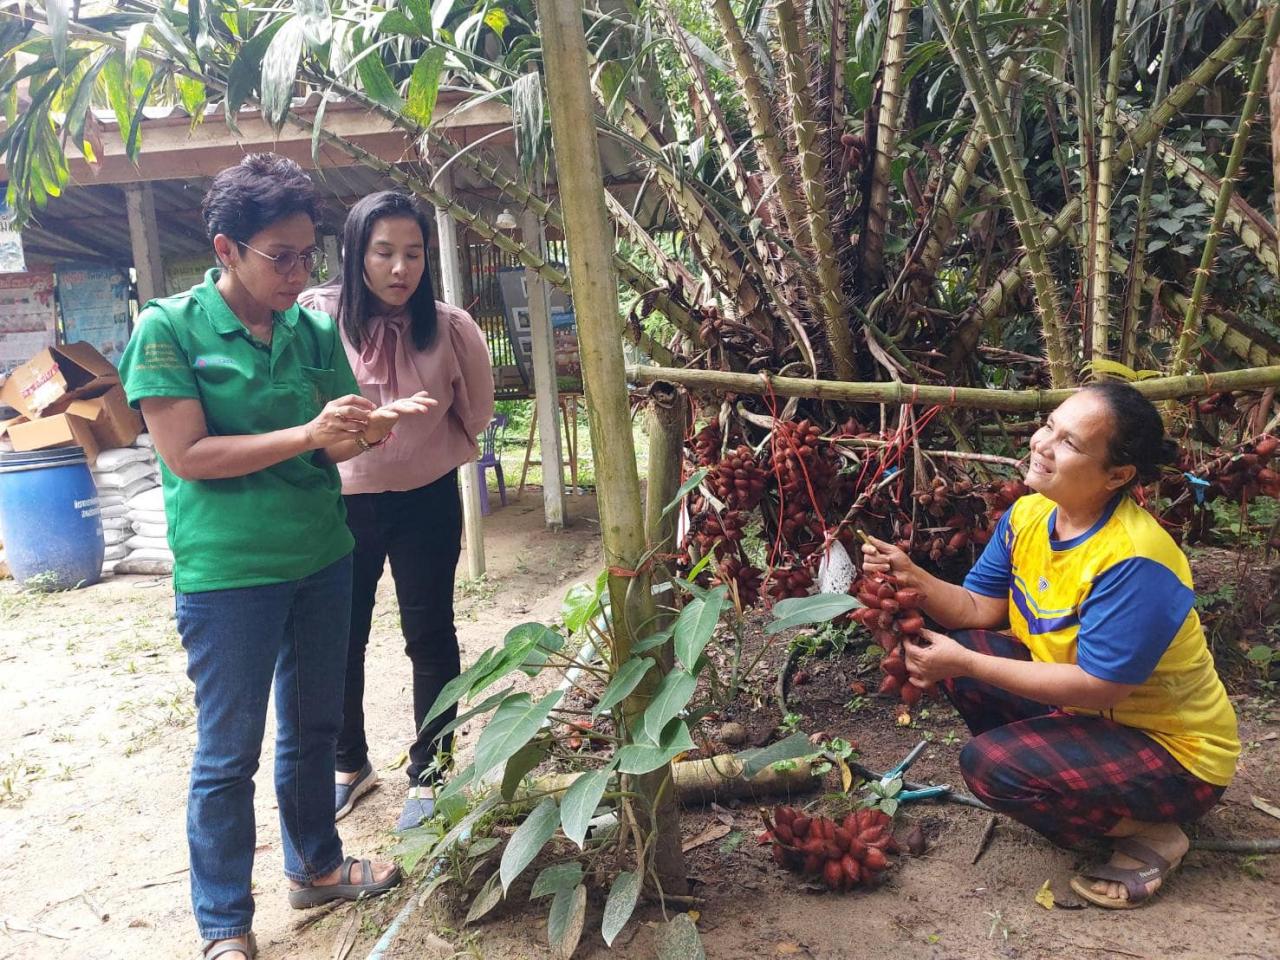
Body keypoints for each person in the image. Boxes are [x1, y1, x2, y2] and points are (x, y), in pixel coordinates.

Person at [119, 156, 433, 960]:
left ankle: (316, 868)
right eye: (280, 257)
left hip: (322, 554)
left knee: (312, 728)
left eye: (307, 255)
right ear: (227, 249)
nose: (299, 273)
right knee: (228, 752)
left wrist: (371, 427)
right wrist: (308, 434)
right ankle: (224, 922)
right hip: (230, 574)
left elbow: (329, 449)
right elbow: (187, 454)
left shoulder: (313, 329)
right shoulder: (168, 329)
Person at [861, 381, 1239, 910]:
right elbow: (977, 609)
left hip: (1176, 756)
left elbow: (1097, 686)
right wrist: (914, 578)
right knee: (969, 654)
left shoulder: (1134, 559)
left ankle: (1154, 831)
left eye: (1070, 443)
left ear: (1118, 475)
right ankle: (1070, 782)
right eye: (1049, 426)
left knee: (990, 762)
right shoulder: (1029, 517)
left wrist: (963, 661)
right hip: (1100, 718)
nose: (1042, 444)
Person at [299, 190, 495, 832]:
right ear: (355, 253)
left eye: (413, 253)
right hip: (342, 505)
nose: (399, 268)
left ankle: (432, 774)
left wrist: (424, 455)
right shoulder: (315, 318)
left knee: (431, 634)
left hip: (427, 504)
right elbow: (299, 411)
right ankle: (348, 765)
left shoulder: (450, 327)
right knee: (340, 640)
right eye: (384, 252)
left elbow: (477, 412)